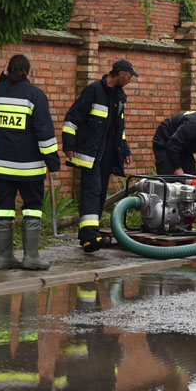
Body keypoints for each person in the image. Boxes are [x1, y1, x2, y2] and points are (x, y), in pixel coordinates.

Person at [0, 54, 60, 270]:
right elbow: (44, 133)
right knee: (33, 209)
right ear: (28, 72)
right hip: (29, 168)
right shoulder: (35, 96)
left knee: (3, 210)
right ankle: (31, 257)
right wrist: (53, 163)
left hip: (0, 166)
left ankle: (3, 257)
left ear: (8, 70)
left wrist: (3, 77)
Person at [63, 59, 137, 252]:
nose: (130, 81)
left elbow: (119, 130)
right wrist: (69, 144)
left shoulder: (119, 98)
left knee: (100, 193)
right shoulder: (94, 90)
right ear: (120, 74)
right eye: (129, 76)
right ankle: (90, 239)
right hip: (90, 153)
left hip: (107, 155)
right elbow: (72, 118)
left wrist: (125, 149)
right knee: (92, 191)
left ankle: (90, 234)